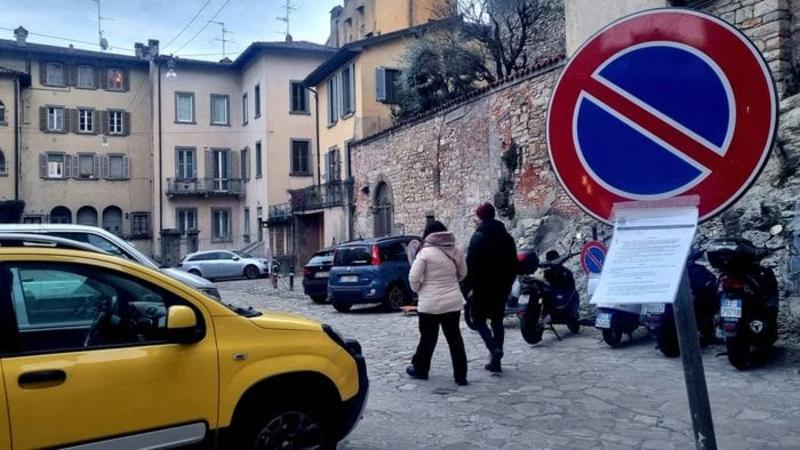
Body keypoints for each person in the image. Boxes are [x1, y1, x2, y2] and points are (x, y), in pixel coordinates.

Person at [406, 220, 469, 386]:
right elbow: (463, 273)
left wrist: (418, 289)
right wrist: (451, 283)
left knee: (428, 338)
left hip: (429, 303)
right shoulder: (456, 250)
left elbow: (413, 277)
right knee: (455, 338)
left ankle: (421, 369)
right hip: (452, 301)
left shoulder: (425, 253)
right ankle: (461, 375)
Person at [462, 202, 517, 373]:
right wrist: (508, 285)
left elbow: (470, 265)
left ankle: (494, 349)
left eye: (477, 218)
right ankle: (496, 362)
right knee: (497, 321)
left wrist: (466, 288)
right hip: (502, 287)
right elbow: (513, 265)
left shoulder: (479, 237)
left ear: (481, 218)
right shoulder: (507, 237)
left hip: (482, 287)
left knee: (478, 320)